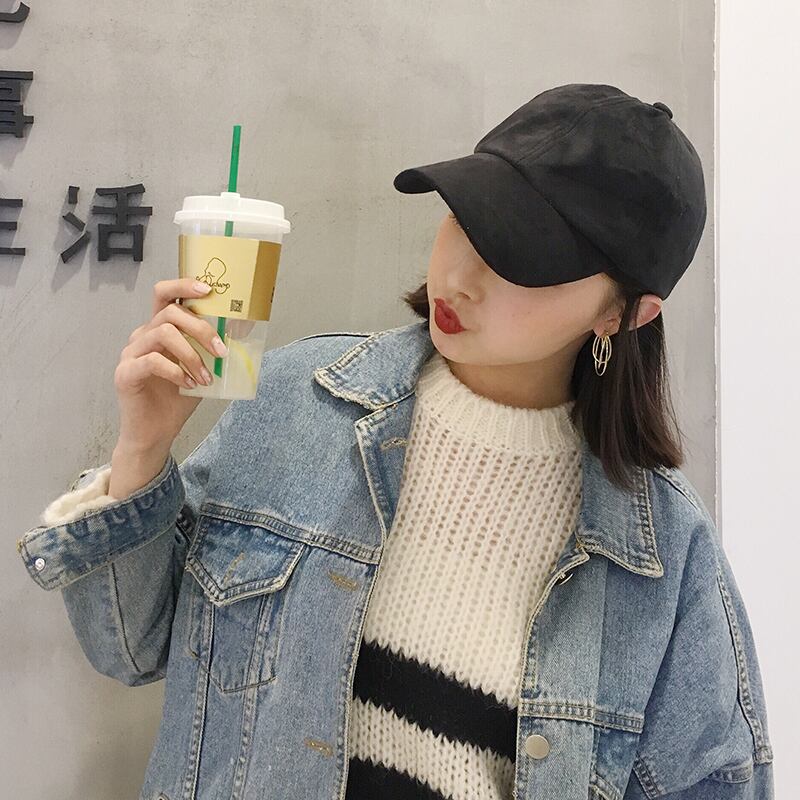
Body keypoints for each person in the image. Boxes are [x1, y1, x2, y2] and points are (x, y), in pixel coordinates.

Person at [16, 84, 774, 800]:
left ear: (625, 314)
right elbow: (131, 648)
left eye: (523, 257)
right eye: (467, 221)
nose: (461, 277)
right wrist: (143, 450)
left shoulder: (660, 555)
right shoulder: (298, 403)